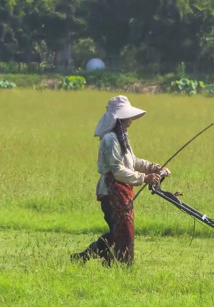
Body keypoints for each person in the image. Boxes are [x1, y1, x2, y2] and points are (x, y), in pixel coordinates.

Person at [71, 95, 169, 265]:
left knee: (118, 232)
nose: (131, 119)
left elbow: (133, 162)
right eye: (128, 115)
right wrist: (144, 178)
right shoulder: (110, 139)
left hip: (123, 190)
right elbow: (117, 170)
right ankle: (119, 265)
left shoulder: (122, 136)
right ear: (121, 117)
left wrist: (154, 168)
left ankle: (89, 258)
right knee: (123, 232)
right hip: (112, 191)